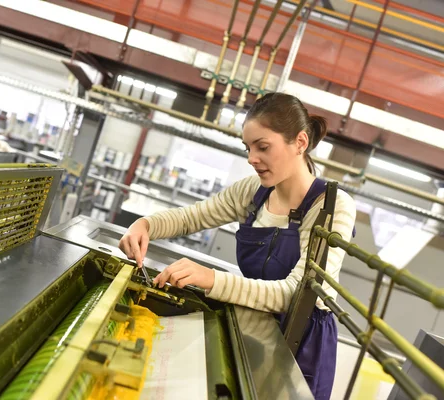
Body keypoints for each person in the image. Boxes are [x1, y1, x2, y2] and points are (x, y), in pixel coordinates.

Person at [119, 93, 356, 400]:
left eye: (263, 146)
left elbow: (295, 295)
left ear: (300, 142)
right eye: (248, 148)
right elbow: (193, 217)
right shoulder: (254, 192)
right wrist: (146, 224)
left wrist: (211, 279)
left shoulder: (330, 207)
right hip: (252, 325)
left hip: (300, 346)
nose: (251, 158)